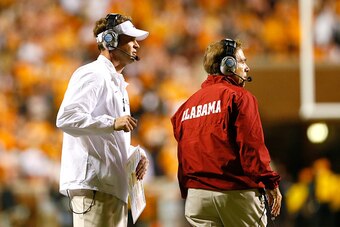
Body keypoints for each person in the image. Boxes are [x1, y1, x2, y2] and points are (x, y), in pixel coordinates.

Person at [171, 38, 282, 226]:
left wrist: (189, 191)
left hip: (197, 198)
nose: (247, 68)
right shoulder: (239, 97)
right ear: (227, 64)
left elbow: (183, 155)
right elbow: (251, 147)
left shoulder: (185, 107)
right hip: (235, 193)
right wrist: (269, 182)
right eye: (242, 61)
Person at [56, 13, 149, 227]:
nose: (136, 45)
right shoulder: (92, 74)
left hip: (110, 187)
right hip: (94, 189)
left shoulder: (117, 82)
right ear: (110, 41)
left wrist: (134, 156)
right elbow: (66, 118)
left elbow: (107, 139)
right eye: (131, 39)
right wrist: (111, 122)